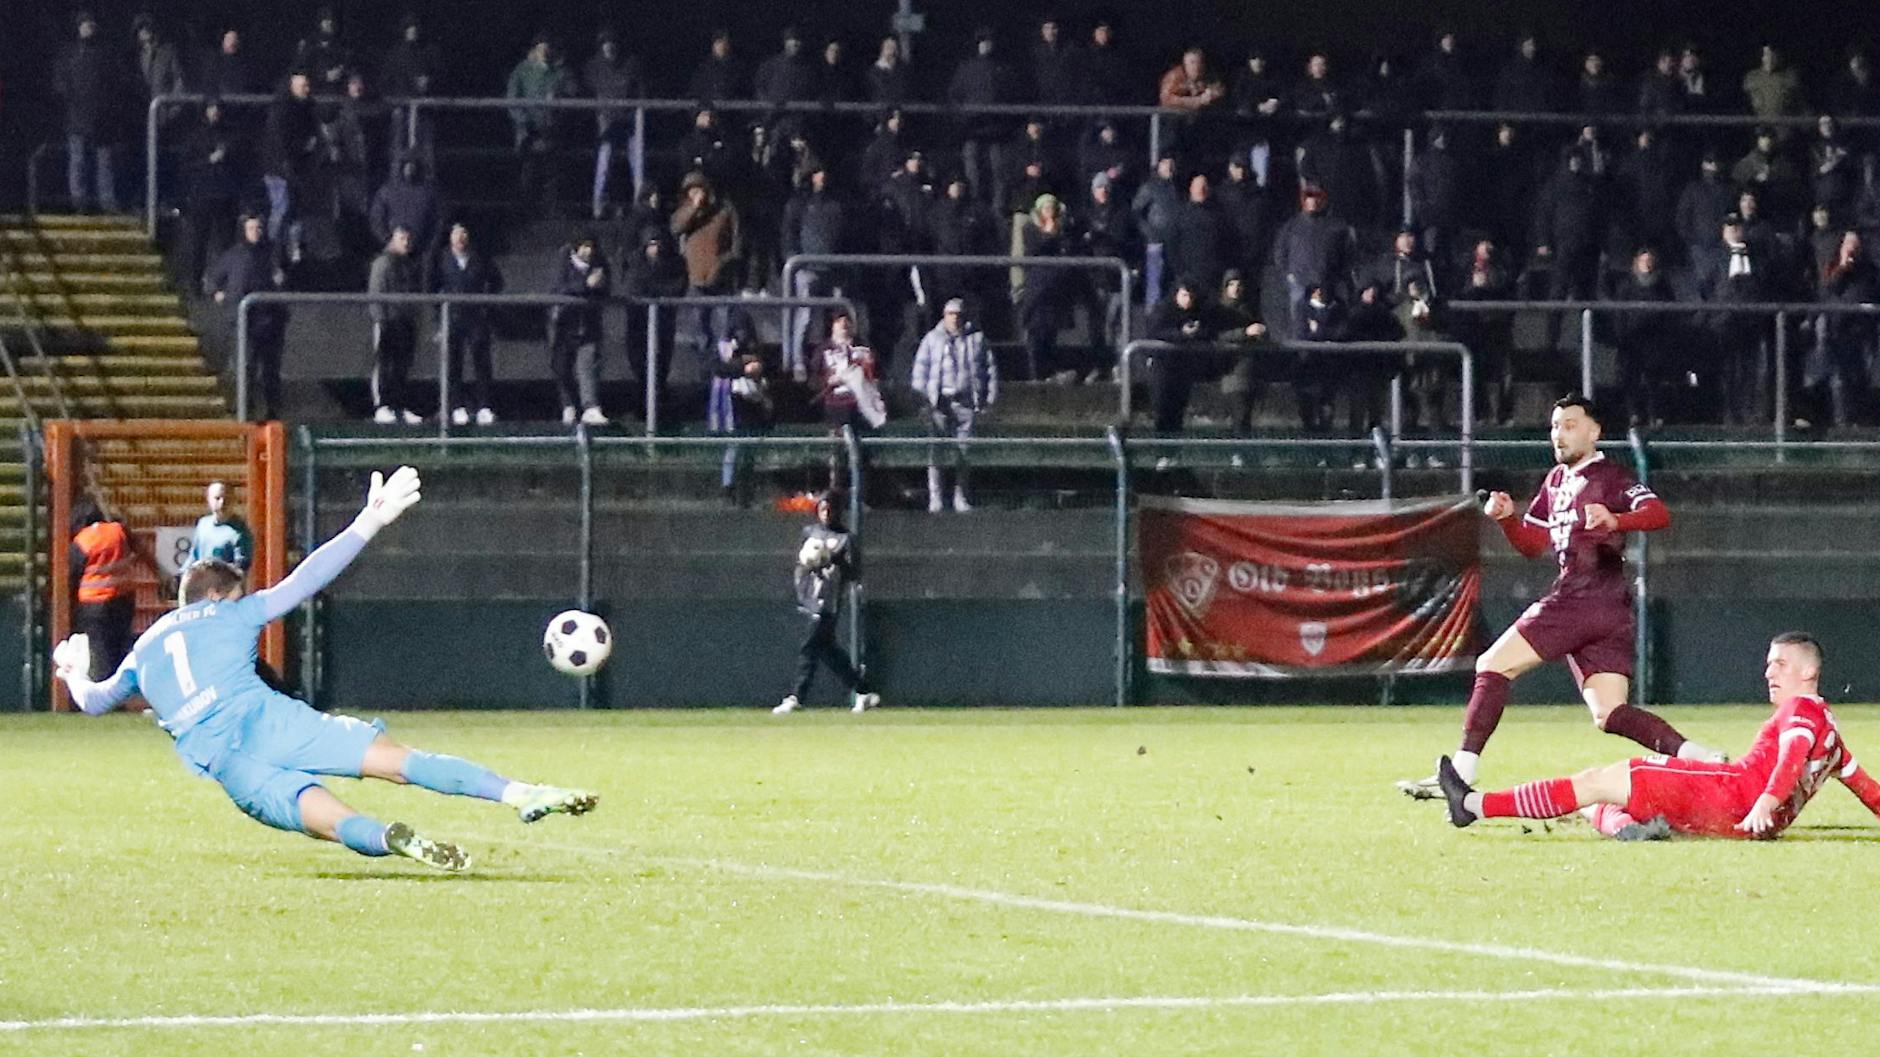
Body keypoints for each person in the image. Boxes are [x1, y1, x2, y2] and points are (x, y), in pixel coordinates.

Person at [54, 467, 598, 870]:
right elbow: (303, 581)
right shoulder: (232, 614)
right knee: (403, 762)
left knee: (333, 823)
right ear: (217, 596)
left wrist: (74, 670)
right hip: (277, 723)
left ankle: (388, 837)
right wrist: (369, 521)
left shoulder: (144, 650)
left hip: (230, 763)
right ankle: (519, 793)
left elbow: (96, 701)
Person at [1397, 395, 1722, 799]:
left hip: (1581, 596)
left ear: (1594, 431)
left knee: (1492, 665)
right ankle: (1702, 758)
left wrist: (1616, 519)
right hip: (1608, 607)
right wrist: (1507, 519)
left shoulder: (1610, 477)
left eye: (1569, 425)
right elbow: (1533, 544)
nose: (1559, 434)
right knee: (1610, 713)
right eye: (1555, 426)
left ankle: (1461, 773)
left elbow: (1658, 513)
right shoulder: (1555, 481)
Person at [1435, 632, 1880, 841]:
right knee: (1603, 800)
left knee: (1597, 781)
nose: (1768, 671)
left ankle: (1471, 805)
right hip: (1738, 822)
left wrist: (1765, 800)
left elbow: (1791, 755)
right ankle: (1627, 826)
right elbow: (1867, 789)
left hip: (1731, 797)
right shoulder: (1834, 739)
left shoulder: (1801, 711)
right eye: (1768, 663)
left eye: (1779, 664)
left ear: (1810, 672)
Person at [774, 494, 880, 716]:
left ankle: (796, 696)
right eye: (823, 509)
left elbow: (854, 573)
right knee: (829, 651)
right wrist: (809, 565)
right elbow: (801, 563)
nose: (827, 513)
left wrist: (835, 560)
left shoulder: (846, 538)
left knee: (809, 648)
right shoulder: (810, 533)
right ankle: (863, 691)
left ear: (839, 511)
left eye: (831, 509)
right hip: (808, 598)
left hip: (827, 602)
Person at [912, 298, 997, 513]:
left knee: (964, 452)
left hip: (967, 402)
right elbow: (920, 371)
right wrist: (922, 400)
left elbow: (990, 370)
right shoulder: (931, 339)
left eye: (958, 314)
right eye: (950, 314)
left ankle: (961, 496)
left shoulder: (977, 340)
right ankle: (936, 497)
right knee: (935, 450)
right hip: (939, 403)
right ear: (944, 315)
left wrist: (990, 399)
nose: (955, 318)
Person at [206, 214, 289, 421]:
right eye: (251, 228)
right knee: (246, 368)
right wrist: (217, 293)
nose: (256, 232)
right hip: (244, 323)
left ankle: (273, 410)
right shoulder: (233, 255)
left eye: (258, 228)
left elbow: (283, 280)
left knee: (271, 370)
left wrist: (281, 283)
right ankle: (244, 409)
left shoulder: (270, 254)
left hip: (271, 322)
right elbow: (212, 280)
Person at [433, 223, 505, 426]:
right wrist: (438, 319)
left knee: (481, 364)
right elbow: (432, 286)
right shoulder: (441, 258)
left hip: (476, 318)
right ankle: (456, 406)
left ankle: (484, 406)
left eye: (464, 232)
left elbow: (496, 281)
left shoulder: (479, 257)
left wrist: (485, 304)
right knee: (453, 364)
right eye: (456, 233)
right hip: (452, 317)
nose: (460, 237)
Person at [70, 499, 136, 682]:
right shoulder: (118, 531)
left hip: (94, 605)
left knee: (99, 650)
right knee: (121, 647)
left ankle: (102, 690)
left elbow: (73, 573)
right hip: (123, 599)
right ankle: (121, 690)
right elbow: (135, 551)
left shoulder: (82, 540)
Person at [549, 235, 611, 426]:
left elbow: (606, 288)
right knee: (562, 366)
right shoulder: (563, 261)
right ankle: (568, 404)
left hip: (589, 324)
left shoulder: (600, 263)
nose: (588, 251)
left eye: (591, 246)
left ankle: (590, 407)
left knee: (588, 364)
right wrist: (586, 285)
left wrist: (600, 284)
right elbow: (559, 288)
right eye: (584, 246)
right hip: (564, 324)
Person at [584, 27, 645, 221]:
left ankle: (640, 204)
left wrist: (637, 113)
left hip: (629, 122)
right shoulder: (593, 66)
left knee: (638, 163)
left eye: (612, 42)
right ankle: (598, 205)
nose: (609, 46)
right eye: (605, 43)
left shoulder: (631, 64)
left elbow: (641, 90)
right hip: (607, 123)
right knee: (604, 163)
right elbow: (589, 89)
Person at [367, 227, 424, 426]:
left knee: (402, 366)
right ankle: (382, 405)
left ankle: (399, 405)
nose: (406, 243)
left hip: (405, 321)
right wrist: (381, 319)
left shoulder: (410, 265)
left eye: (408, 239)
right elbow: (376, 292)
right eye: (402, 238)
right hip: (387, 321)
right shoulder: (383, 263)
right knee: (383, 364)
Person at [188, 481, 252, 573]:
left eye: (227, 499)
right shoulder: (203, 524)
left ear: (234, 500)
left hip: (224, 585)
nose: (222, 503)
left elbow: (240, 568)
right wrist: (180, 576)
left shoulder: (240, 532)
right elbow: (193, 557)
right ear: (208, 500)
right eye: (217, 498)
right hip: (201, 584)